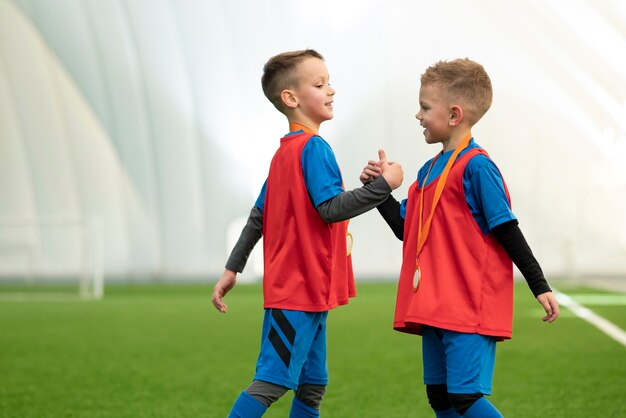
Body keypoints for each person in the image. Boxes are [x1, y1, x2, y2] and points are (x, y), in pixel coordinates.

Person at [360, 58, 560, 418]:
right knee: (440, 397)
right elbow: (407, 231)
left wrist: (539, 284)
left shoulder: (478, 166)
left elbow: (506, 228)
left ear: (454, 115)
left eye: (424, 107)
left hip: (467, 304)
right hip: (433, 305)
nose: (417, 115)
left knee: (466, 399)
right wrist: (378, 191)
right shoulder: (428, 170)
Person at [212, 49, 403, 418]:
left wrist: (232, 269)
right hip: (296, 292)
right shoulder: (314, 148)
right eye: (320, 84)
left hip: (312, 293)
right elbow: (330, 209)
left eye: (329, 81)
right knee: (272, 382)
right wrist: (384, 185)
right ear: (291, 98)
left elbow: (256, 218)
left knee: (313, 386)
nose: (331, 90)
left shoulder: (283, 154)